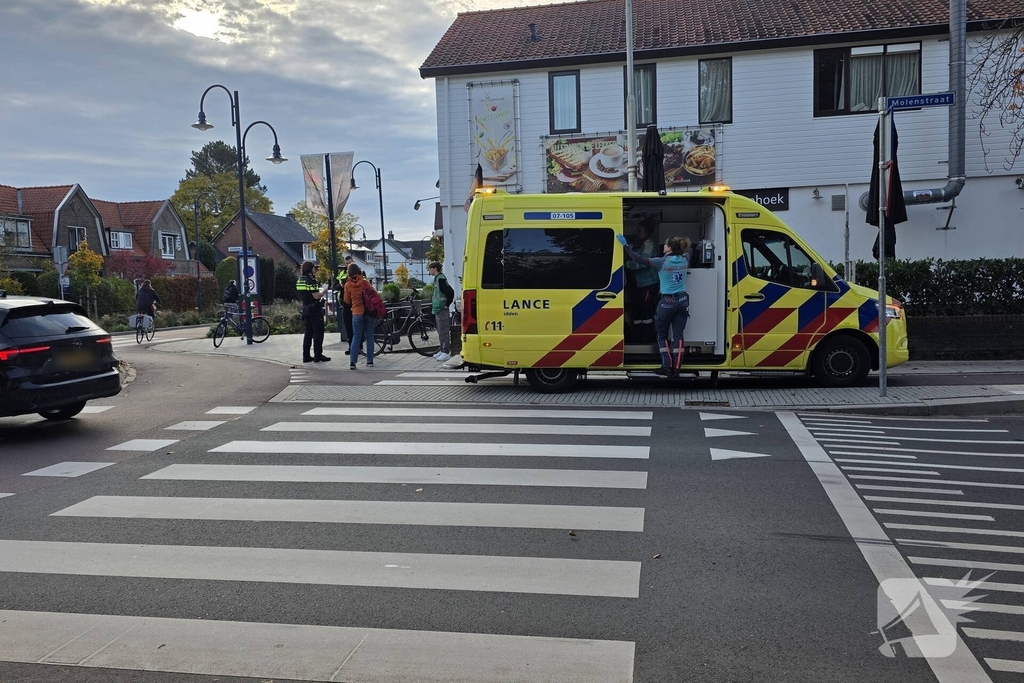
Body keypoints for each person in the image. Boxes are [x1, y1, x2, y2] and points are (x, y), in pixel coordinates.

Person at [617, 232, 691, 376]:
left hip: (667, 302)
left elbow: (640, 259)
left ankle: (666, 366)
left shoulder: (661, 262)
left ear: (669, 248)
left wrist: (626, 246)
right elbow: (689, 251)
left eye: (666, 244)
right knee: (678, 336)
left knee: (661, 335)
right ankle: (677, 367)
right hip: (683, 301)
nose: (663, 246)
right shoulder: (685, 259)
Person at [625, 218, 659, 342]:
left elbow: (644, 263)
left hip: (648, 283)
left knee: (646, 311)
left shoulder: (649, 244)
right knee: (637, 310)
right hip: (639, 283)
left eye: (640, 231)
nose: (637, 233)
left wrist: (626, 264)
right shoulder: (638, 244)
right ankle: (638, 336)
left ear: (647, 233)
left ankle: (647, 337)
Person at [296, 261, 331, 363]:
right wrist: (324, 290)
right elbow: (316, 296)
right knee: (318, 332)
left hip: (306, 308)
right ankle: (318, 355)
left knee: (308, 333)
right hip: (314, 309)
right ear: (310, 269)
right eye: (314, 268)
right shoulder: (310, 281)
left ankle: (306, 356)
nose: (315, 270)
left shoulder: (299, 281)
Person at [343, 262, 375, 370]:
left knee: (356, 337)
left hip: (356, 313)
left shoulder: (347, 285)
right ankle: (370, 361)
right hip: (368, 312)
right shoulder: (365, 283)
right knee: (370, 336)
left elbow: (347, 300)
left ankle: (353, 362)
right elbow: (374, 294)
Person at [428, 261, 455, 362]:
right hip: (438, 308)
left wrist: (446, 305)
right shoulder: (437, 279)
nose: (429, 270)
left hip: (441, 308)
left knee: (443, 330)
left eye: (430, 268)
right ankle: (442, 349)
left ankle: (446, 351)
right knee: (440, 330)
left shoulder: (441, 279)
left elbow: (450, 292)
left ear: (435, 268)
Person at [338, 254, 355, 350]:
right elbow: (335, 285)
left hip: (356, 303)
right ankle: (350, 346)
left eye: (350, 263)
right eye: (347, 263)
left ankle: (358, 346)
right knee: (348, 325)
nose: (348, 265)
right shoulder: (342, 273)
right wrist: (341, 286)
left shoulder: (359, 272)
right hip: (345, 302)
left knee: (356, 326)